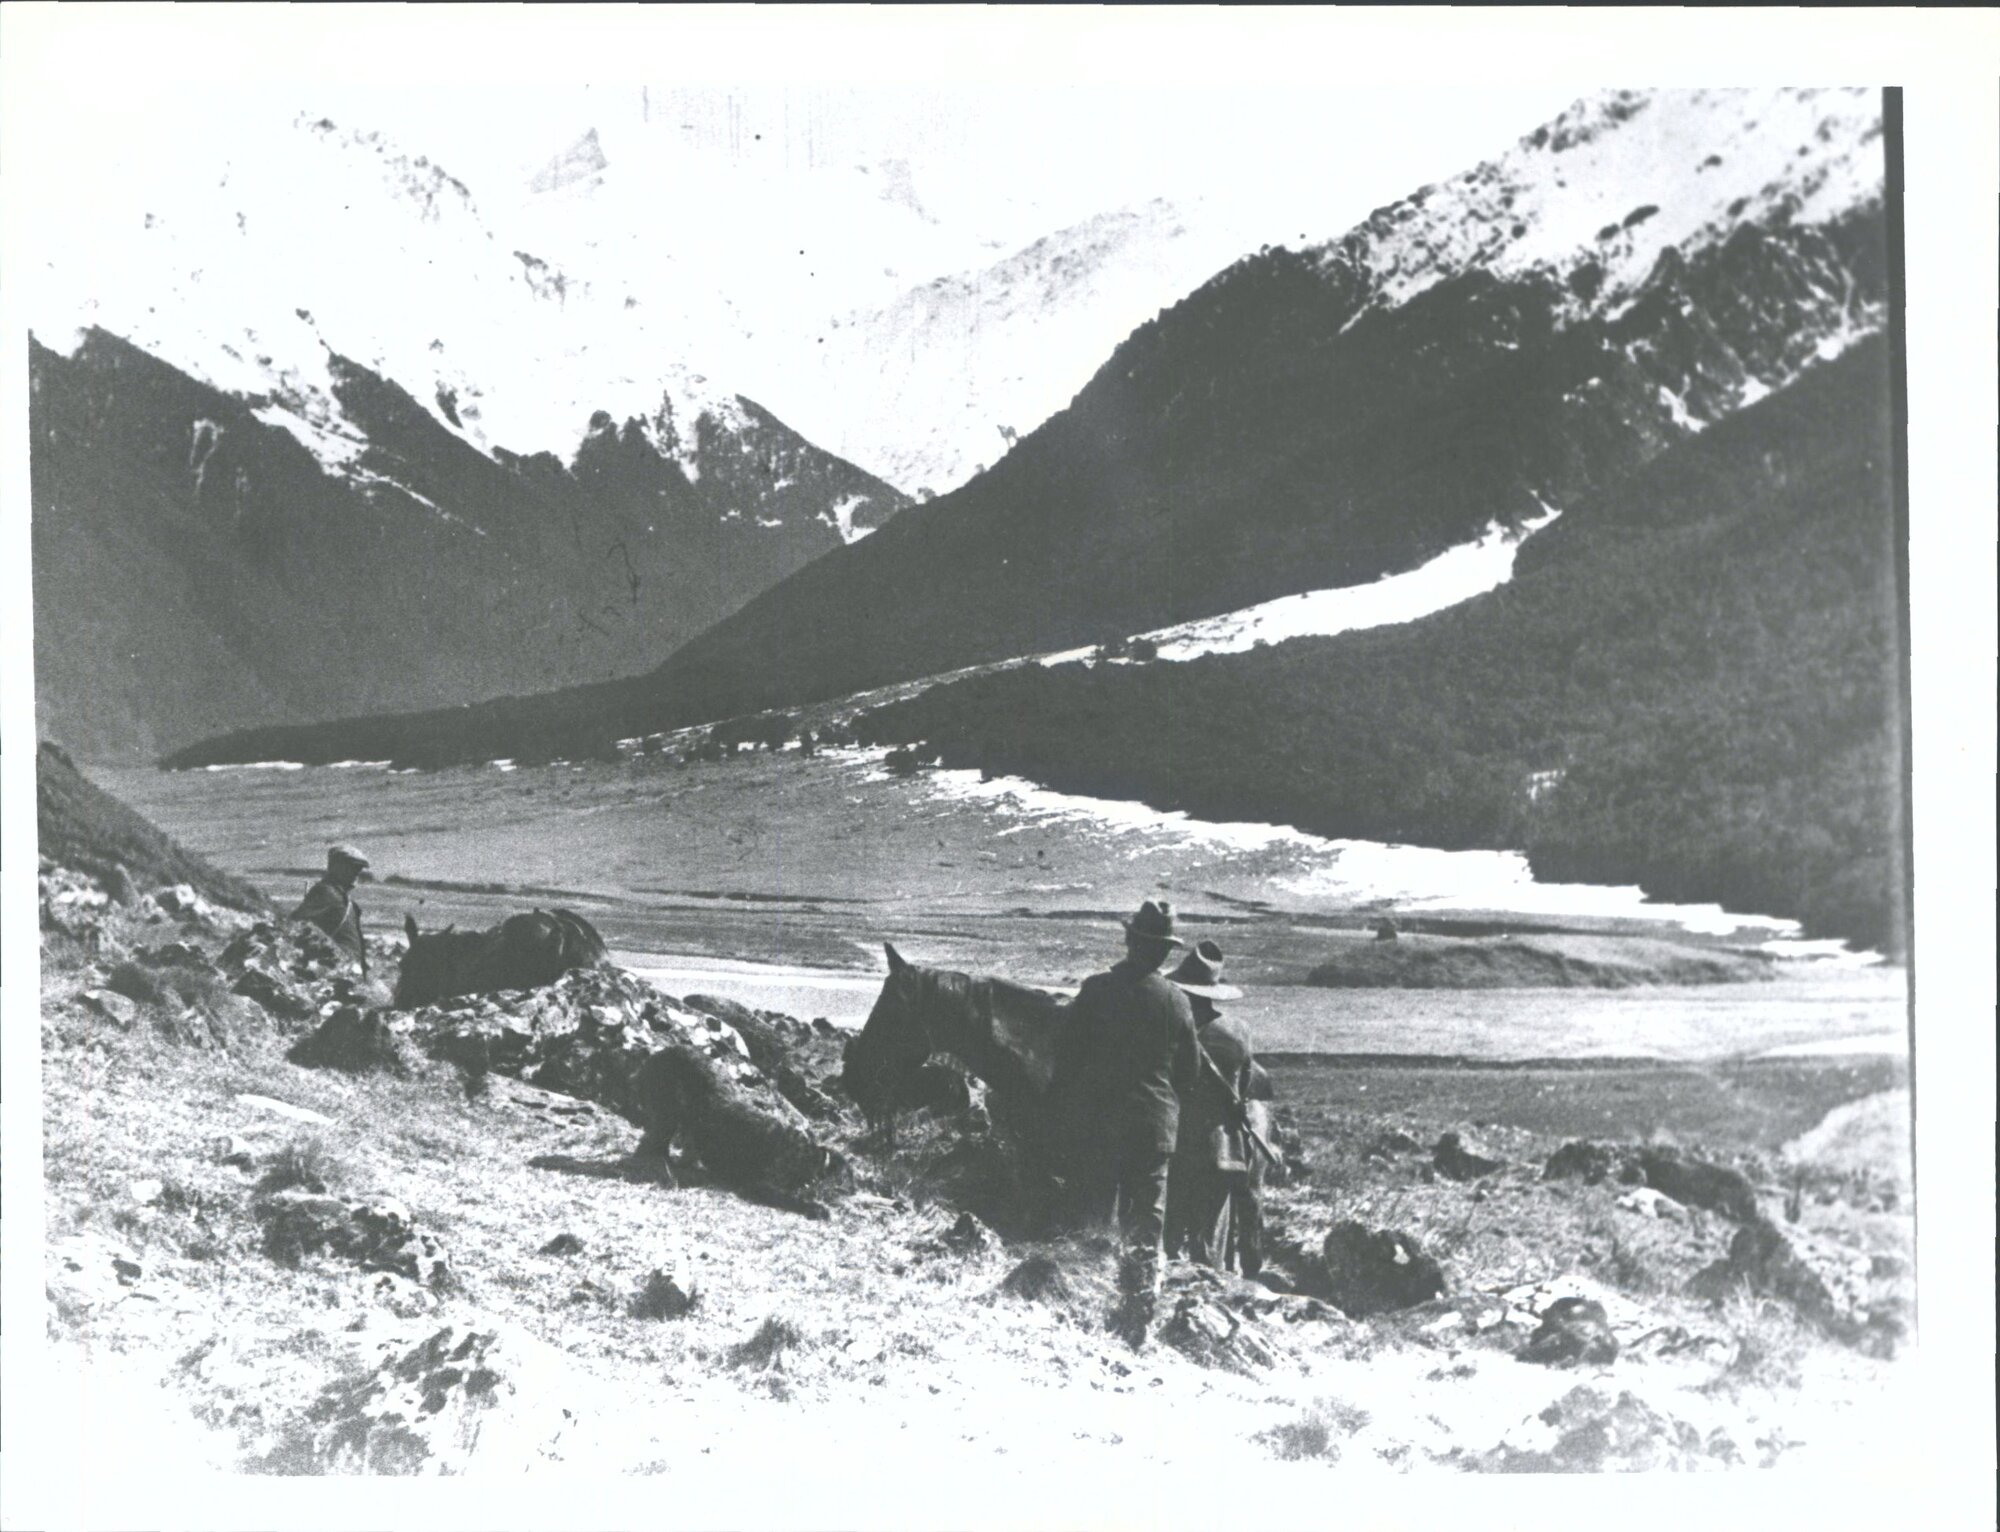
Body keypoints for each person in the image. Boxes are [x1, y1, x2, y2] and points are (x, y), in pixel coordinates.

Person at [1058, 899, 1201, 1333]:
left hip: (1101, 1124)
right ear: (1163, 952)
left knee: (1095, 1213)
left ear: (1129, 940)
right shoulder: (1176, 1001)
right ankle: (1137, 1316)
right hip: (1154, 1128)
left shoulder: (1096, 989)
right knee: (1146, 1223)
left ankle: (1087, 1306)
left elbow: (1067, 1057)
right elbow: (1188, 1074)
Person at [1163, 940, 1264, 1273]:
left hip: (1179, 1148)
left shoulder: (1175, 1031)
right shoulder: (1239, 1032)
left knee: (1171, 1240)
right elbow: (1247, 1087)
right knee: (1211, 1247)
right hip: (1226, 1151)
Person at [288, 844, 372, 973]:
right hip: (335, 967)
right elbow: (296, 923)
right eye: (353, 867)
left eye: (359, 869)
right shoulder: (326, 891)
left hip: (348, 966)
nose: (357, 873)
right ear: (336, 867)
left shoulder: (340, 895)